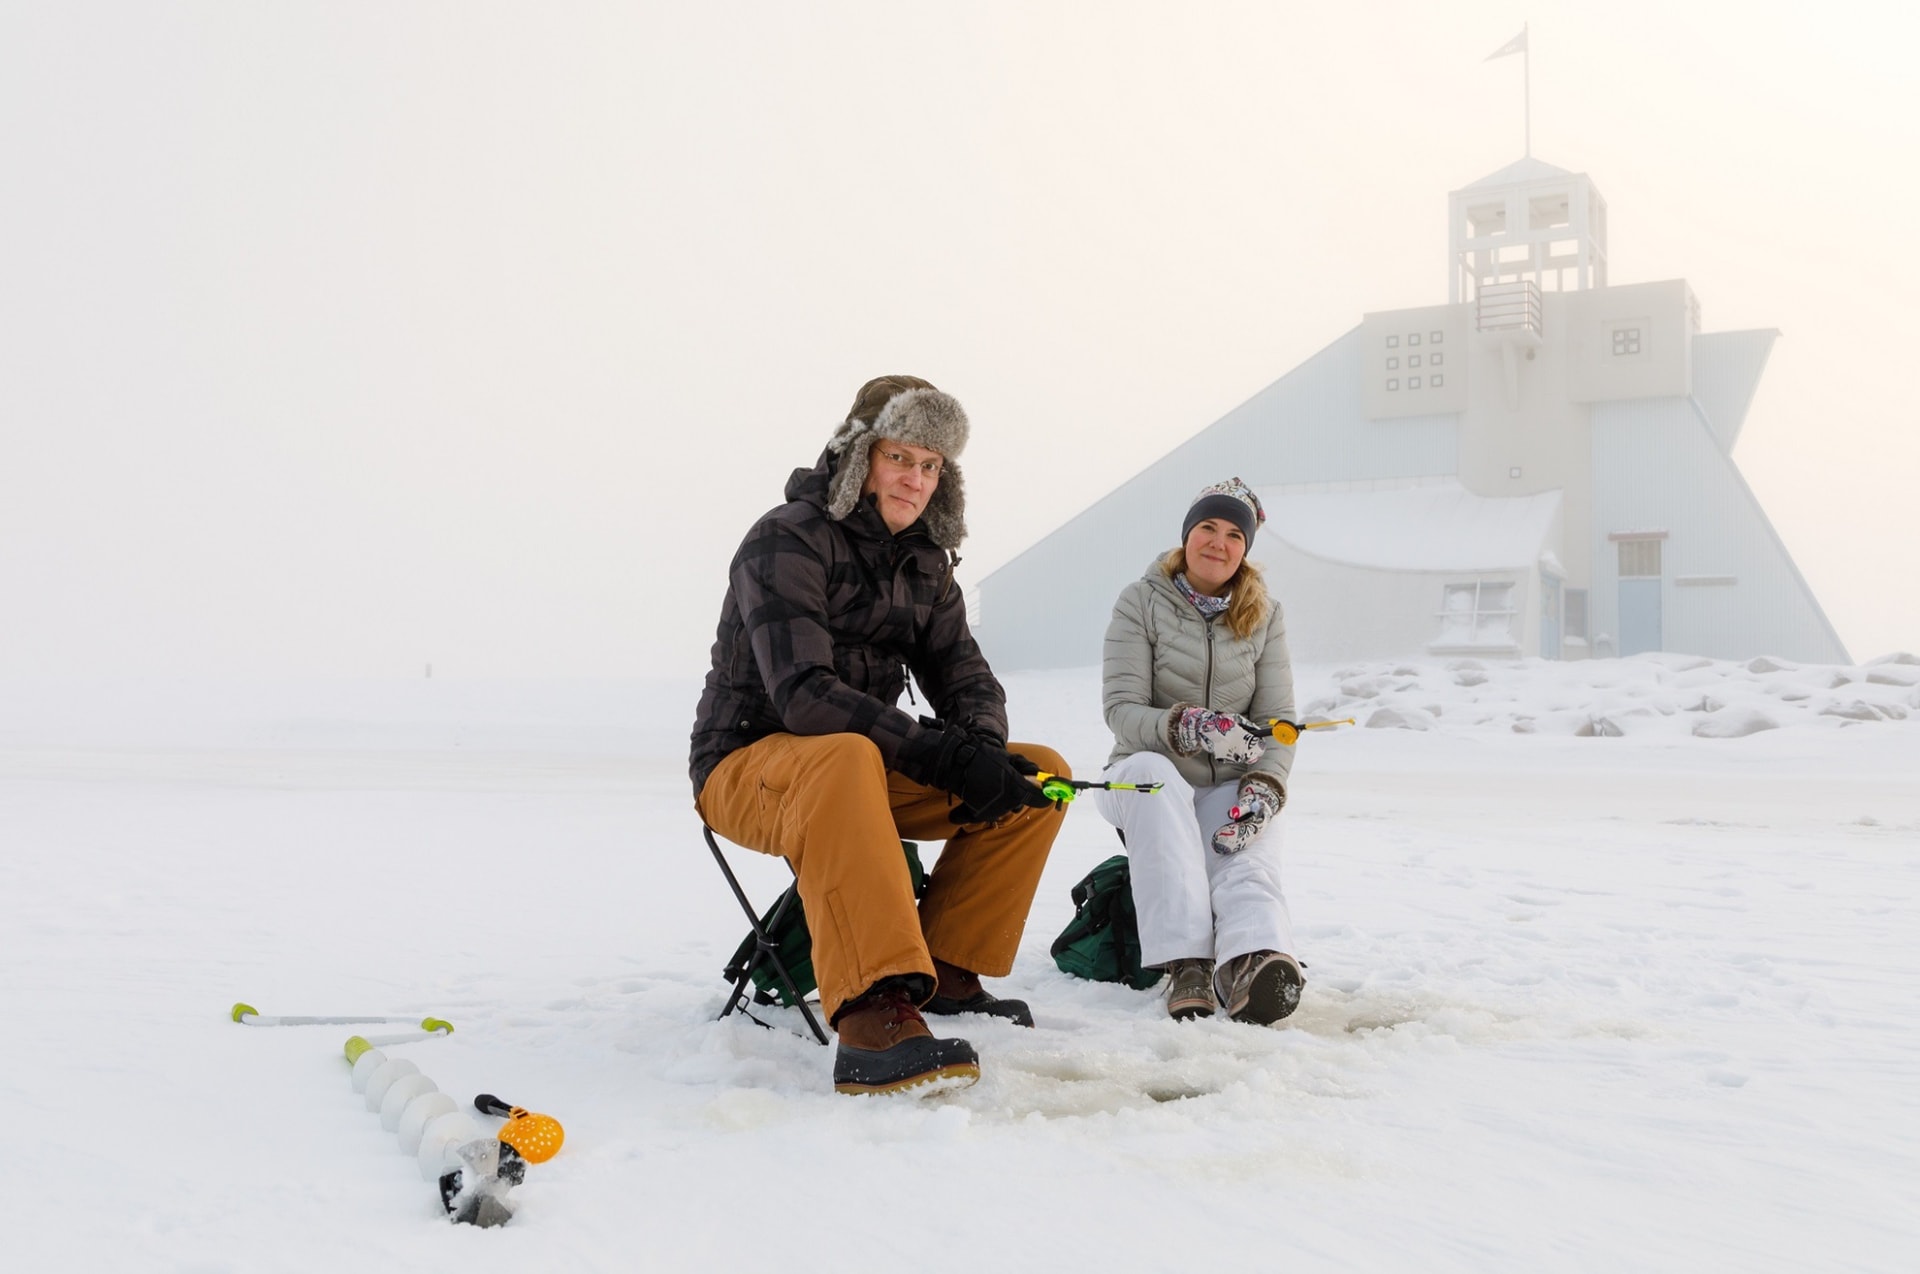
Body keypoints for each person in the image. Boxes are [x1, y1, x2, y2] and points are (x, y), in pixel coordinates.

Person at [691, 375, 1070, 1095]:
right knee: (844, 756)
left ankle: (949, 969)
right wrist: (938, 752)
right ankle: (873, 1012)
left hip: (856, 767)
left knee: (1035, 777)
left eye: (932, 466)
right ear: (860, 454)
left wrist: (981, 747)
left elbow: (967, 680)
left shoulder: (925, 563)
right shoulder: (785, 539)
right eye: (902, 457)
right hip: (747, 766)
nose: (916, 479)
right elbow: (804, 697)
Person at [1092, 477, 1305, 1025]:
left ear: (1246, 548)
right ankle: (1186, 962)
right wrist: (1189, 726)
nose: (1219, 542)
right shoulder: (1141, 600)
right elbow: (1121, 709)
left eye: (1235, 533)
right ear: (1187, 536)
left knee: (1247, 850)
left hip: (1224, 781)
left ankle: (1254, 961)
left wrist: (1265, 788)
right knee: (1153, 779)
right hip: (1141, 775)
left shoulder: (1265, 615)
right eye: (1207, 527)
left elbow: (1277, 724)